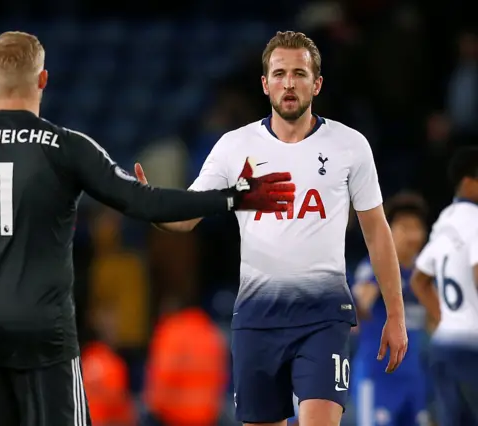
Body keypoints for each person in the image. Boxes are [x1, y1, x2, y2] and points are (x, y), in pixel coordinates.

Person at [0, 31, 296, 426]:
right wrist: (233, 196)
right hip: (41, 328)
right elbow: (146, 203)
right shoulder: (68, 147)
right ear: (43, 80)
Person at [133, 30, 408, 426]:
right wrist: (150, 206)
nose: (289, 83)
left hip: (324, 315)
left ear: (317, 83)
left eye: (299, 73)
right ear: (265, 84)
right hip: (258, 317)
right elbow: (187, 217)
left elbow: (377, 232)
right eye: (279, 73)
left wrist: (395, 315)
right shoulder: (234, 146)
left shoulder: (350, 146)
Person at [410, 146, 478, 426]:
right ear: (469, 181)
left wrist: (446, 318)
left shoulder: (444, 222)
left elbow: (419, 280)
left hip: (444, 347)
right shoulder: (476, 220)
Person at [351, 193, 430, 426]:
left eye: (417, 228)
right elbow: (356, 314)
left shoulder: (424, 276)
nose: (412, 235)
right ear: (389, 232)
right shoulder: (374, 268)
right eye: (404, 228)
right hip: (377, 380)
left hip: (415, 382)